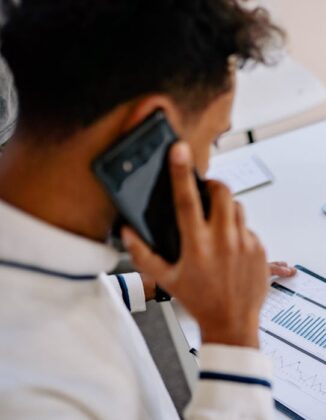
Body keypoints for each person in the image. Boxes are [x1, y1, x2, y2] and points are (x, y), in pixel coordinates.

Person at [0, 0, 295, 418]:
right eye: (211, 140)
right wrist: (232, 336)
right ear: (146, 132)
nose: (208, 169)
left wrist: (159, 284)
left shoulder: (36, 255)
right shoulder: (31, 395)